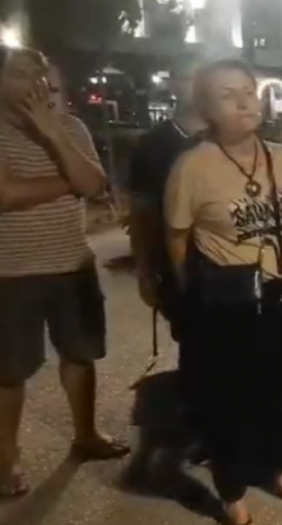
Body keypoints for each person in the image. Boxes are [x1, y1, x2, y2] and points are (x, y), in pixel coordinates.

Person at [163, 59, 282, 525]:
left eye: (249, 91)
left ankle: (280, 470)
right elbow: (176, 239)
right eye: (228, 95)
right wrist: (192, 297)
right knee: (228, 402)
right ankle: (232, 492)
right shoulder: (192, 166)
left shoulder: (281, 157)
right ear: (206, 109)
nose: (245, 101)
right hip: (227, 305)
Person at [0, 48, 130, 498]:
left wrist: (53, 133)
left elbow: (94, 186)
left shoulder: (70, 128)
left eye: (40, 74)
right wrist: (70, 182)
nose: (34, 83)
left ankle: (86, 435)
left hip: (73, 264)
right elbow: (7, 195)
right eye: (20, 74)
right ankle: (5, 459)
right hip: (11, 271)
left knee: (80, 355)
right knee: (8, 372)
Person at [128, 60, 208, 456]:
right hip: (177, 263)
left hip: (230, 266)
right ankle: (199, 422)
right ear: (174, 84)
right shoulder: (154, 143)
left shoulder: (224, 136)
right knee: (194, 344)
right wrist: (145, 269)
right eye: (188, 77)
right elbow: (141, 210)